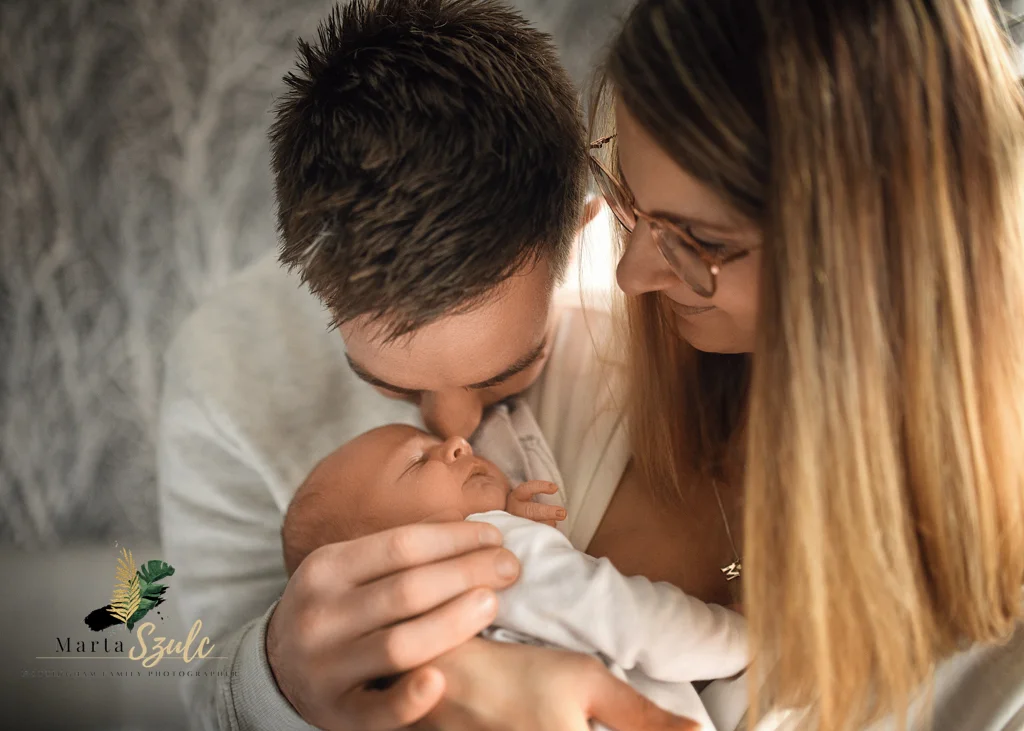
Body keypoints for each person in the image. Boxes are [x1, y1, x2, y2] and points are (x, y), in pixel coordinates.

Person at [158, 1, 694, 730]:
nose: (455, 428)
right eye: (386, 383)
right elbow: (203, 681)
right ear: (309, 273)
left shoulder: (645, 313)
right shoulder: (225, 367)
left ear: (579, 232)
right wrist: (277, 674)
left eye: (509, 369)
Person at [280, 411, 749, 731]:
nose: (457, 443)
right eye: (419, 461)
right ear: (389, 553)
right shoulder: (489, 547)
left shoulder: (409, 670)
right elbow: (630, 618)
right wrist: (741, 635)